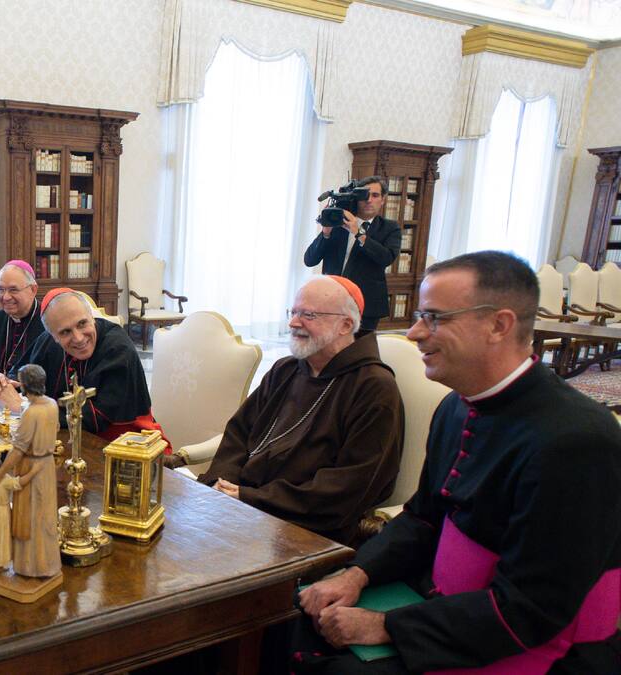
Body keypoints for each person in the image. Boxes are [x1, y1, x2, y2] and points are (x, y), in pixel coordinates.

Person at [296, 251, 621, 673]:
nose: (414, 333)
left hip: (532, 644)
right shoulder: (456, 406)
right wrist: (356, 574)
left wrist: (387, 626)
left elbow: (533, 607)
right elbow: (422, 517)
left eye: (433, 318)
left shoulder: (579, 441)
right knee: (291, 619)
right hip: (447, 604)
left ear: (499, 325)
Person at [188, 276, 403, 547]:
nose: (293, 323)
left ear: (345, 325)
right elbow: (239, 433)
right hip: (240, 508)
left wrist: (249, 498)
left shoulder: (374, 387)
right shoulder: (286, 369)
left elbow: (351, 485)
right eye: (293, 312)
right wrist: (221, 484)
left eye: (308, 315)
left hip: (310, 530)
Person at [0, 288, 162, 442]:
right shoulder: (48, 342)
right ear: (53, 336)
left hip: (127, 444)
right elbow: (20, 376)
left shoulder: (118, 349)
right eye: (65, 332)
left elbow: (95, 420)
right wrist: (3, 384)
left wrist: (23, 407)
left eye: (82, 324)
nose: (78, 338)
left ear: (92, 317)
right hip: (68, 439)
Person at [303, 176, 400, 334]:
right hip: (331, 301)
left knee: (361, 347)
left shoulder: (390, 228)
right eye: (364, 195)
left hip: (367, 304)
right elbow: (309, 260)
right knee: (328, 344)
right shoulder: (337, 224)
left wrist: (358, 233)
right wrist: (326, 232)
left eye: (375, 195)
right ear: (357, 198)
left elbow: (386, 258)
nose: (369, 200)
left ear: (383, 200)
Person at [0, 364, 61, 578]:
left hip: (30, 467)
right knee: (45, 518)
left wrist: (0, 472)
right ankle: (48, 564)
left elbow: (18, 449)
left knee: (30, 520)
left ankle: (30, 567)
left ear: (25, 385)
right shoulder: (52, 404)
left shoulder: (31, 412)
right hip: (47, 465)